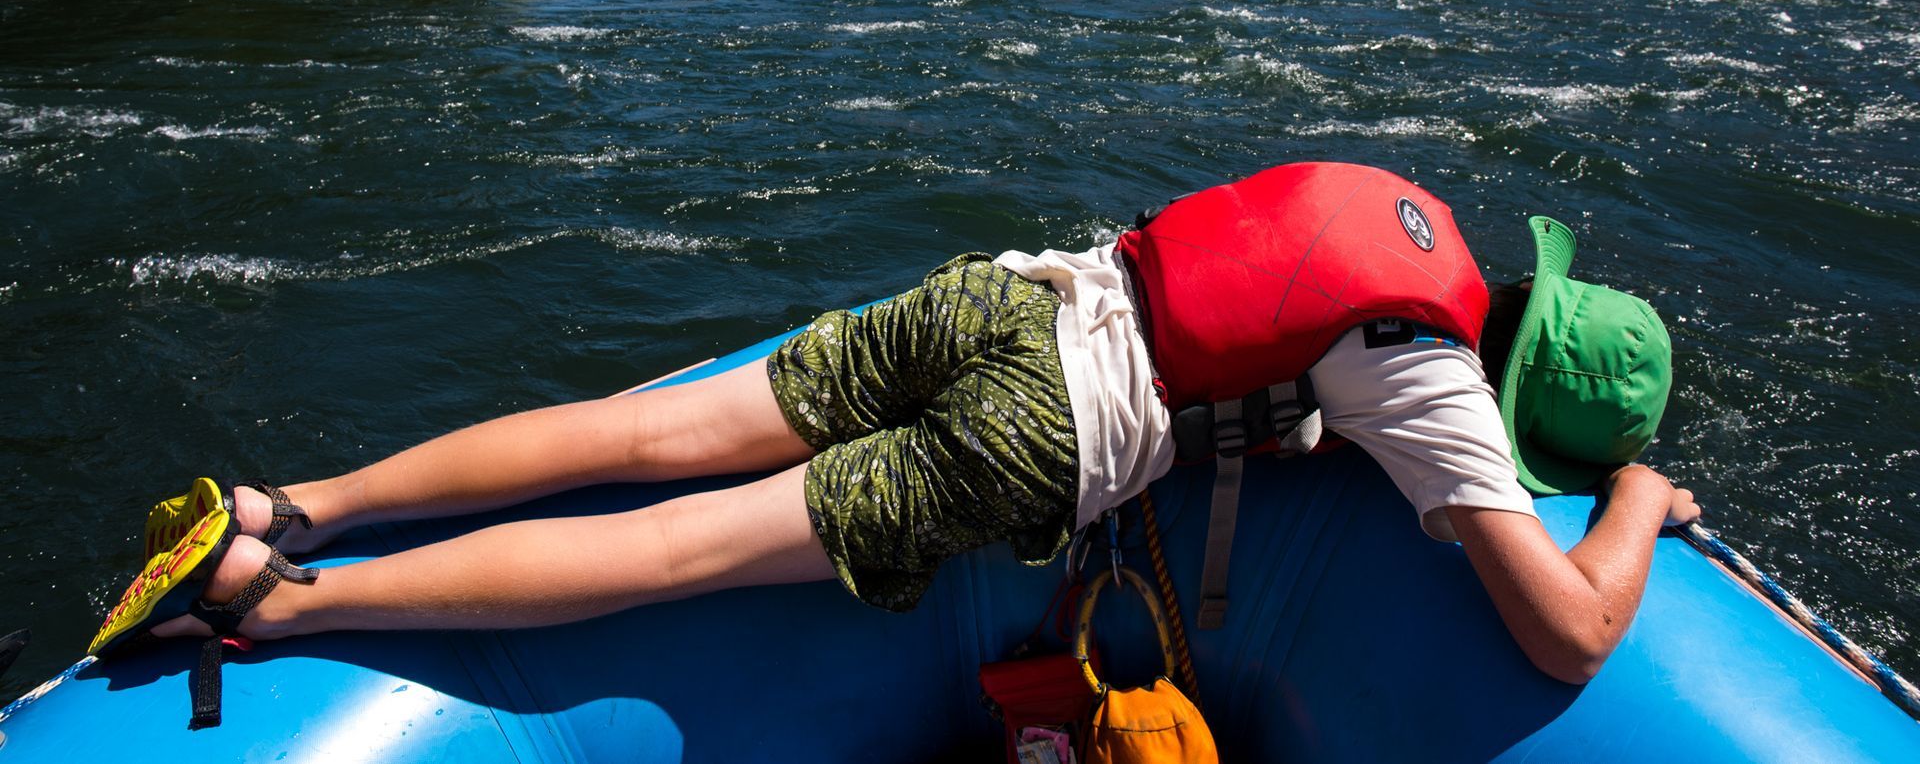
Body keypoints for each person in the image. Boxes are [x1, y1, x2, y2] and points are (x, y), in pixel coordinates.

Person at [92, 162, 1697, 727]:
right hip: (1041, 424)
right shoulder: (1434, 382)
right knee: (675, 546)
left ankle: (292, 502)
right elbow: (1564, 632)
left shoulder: (1399, 214)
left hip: (1002, 298)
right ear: (1524, 394)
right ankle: (279, 601)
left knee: (638, 428)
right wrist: (1631, 500)